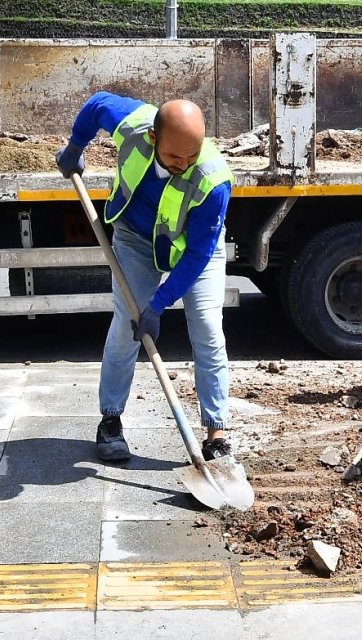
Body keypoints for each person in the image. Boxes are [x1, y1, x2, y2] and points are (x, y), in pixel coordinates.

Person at [55, 91, 234, 463]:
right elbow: (96, 104)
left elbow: (198, 254)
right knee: (127, 325)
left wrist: (159, 304)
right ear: (154, 138)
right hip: (135, 237)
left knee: (207, 328)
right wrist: (75, 148)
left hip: (191, 249)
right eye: (174, 157)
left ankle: (215, 434)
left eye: (192, 155)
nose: (184, 164)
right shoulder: (134, 125)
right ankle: (110, 420)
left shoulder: (214, 181)